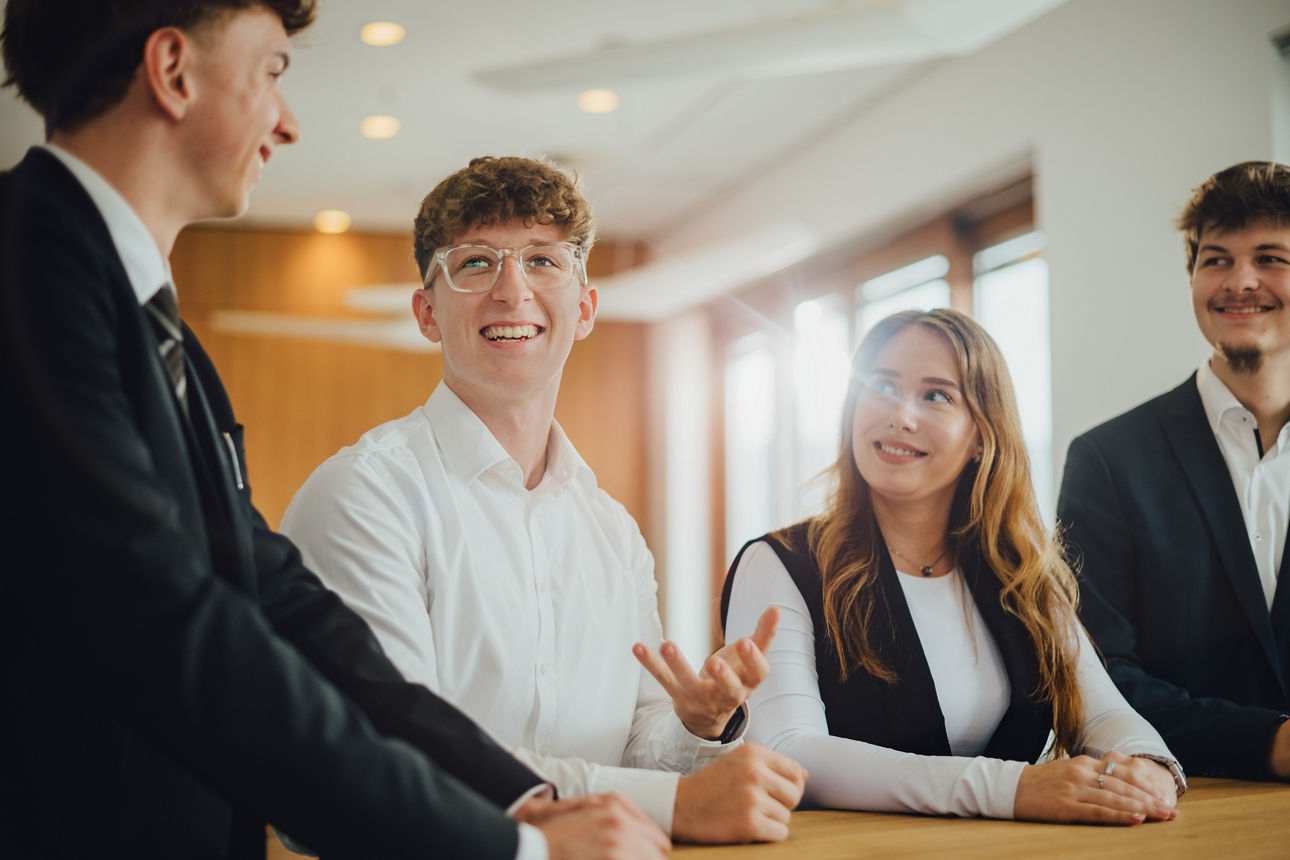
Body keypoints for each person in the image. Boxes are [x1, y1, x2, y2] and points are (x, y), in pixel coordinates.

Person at [0, 3, 669, 858]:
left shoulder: (164, 337)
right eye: (273, 70)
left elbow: (295, 616)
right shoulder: (29, 263)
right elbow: (167, 625)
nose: (287, 121)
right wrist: (516, 851)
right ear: (173, 71)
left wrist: (521, 801)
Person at [280, 155, 807, 843]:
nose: (511, 291)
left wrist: (696, 724)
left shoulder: (613, 533)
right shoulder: (362, 497)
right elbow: (394, 757)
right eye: (474, 263)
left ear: (584, 309)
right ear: (426, 312)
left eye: (542, 262)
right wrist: (675, 805)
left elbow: (639, 745)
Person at [722, 308, 1185, 822]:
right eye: (882, 385)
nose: (901, 414)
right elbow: (791, 750)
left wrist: (1149, 764)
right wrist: (1012, 789)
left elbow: (1102, 711)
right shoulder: (779, 563)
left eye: (936, 395)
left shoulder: (1023, 571)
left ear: (981, 436)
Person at [1058, 161, 1290, 781]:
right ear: (1192, 277)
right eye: (1216, 259)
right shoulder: (1107, 461)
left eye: (1271, 257)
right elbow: (1096, 679)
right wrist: (1271, 743)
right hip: (1183, 805)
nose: (1241, 281)